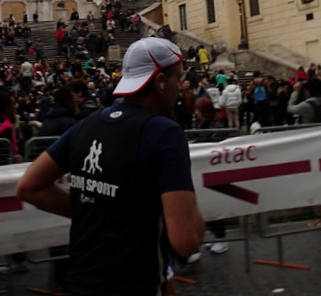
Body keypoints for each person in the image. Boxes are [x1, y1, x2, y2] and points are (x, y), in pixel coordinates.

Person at [16, 37, 204, 296]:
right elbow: (186, 242)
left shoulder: (88, 123)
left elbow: (28, 187)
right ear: (161, 82)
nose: (181, 87)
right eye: (178, 78)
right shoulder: (164, 133)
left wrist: (96, 211)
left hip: (80, 283)